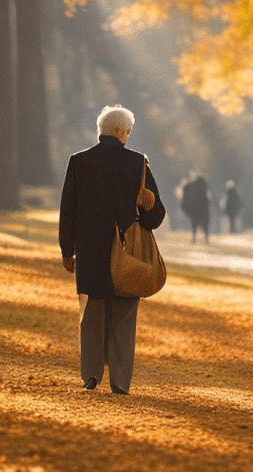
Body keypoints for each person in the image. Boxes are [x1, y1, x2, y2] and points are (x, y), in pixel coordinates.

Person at [59, 105, 166, 395]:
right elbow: (155, 216)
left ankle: (91, 375)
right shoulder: (137, 163)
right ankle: (119, 381)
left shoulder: (78, 162)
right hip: (125, 251)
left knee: (92, 313)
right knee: (123, 315)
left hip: (90, 251)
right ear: (122, 132)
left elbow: (68, 210)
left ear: (101, 130)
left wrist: (67, 251)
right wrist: (141, 214)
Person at [181, 173, 211, 244]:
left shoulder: (190, 187)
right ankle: (205, 238)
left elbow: (186, 195)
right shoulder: (202, 187)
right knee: (204, 224)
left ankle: (194, 238)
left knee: (194, 223)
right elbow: (206, 199)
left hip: (194, 210)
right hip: (202, 210)